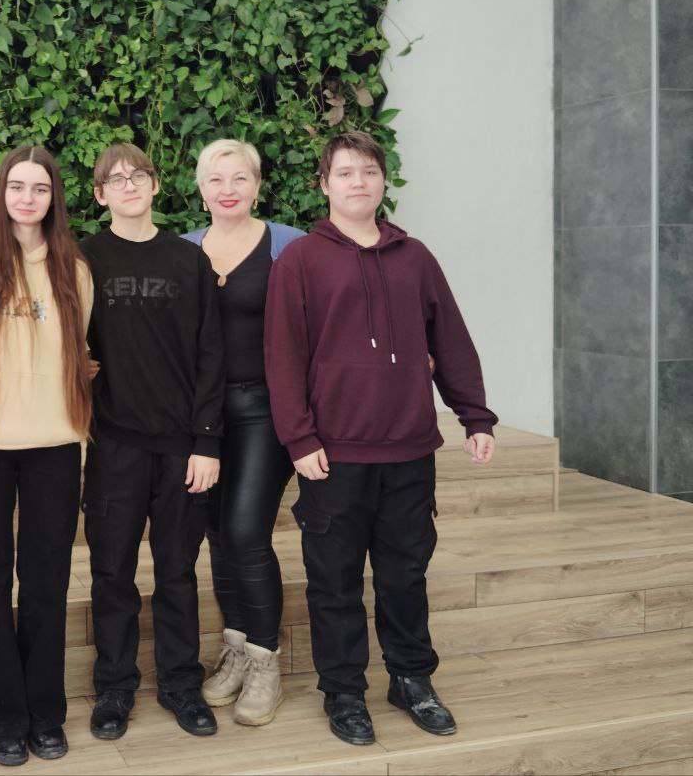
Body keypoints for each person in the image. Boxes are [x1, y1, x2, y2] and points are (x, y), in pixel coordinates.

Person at [264, 131, 497, 746]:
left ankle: (411, 679)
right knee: (334, 580)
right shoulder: (300, 261)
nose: (358, 182)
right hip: (333, 453)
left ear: (383, 181)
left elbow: (451, 340)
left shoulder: (415, 257)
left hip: (410, 449)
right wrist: (299, 439)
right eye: (345, 173)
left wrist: (474, 416)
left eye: (369, 171)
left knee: (405, 574)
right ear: (324, 184)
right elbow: (283, 357)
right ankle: (343, 692)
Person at [0, 145, 94, 767]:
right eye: (17, 186)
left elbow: (78, 347)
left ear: (54, 197)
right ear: (1, 194)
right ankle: (3, 716)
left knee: (46, 579)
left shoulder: (74, 269)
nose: (27, 198)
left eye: (40, 188)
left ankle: (45, 712)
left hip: (55, 442)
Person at [78, 142, 225, 740]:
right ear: (100, 195)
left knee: (177, 570)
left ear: (157, 185)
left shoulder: (189, 260)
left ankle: (181, 684)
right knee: (112, 571)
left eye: (138, 175)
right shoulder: (83, 260)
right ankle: (114, 687)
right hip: (113, 442)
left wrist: (207, 442)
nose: (129, 185)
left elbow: (212, 353)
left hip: (181, 447)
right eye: (115, 179)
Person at [181, 138, 304, 727]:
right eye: (215, 179)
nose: (227, 189)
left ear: (257, 185)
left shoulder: (289, 246)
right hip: (202, 416)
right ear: (200, 190)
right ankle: (235, 648)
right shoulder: (184, 250)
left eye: (239, 178)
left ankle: (264, 661)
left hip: (264, 409)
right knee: (214, 533)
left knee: (245, 531)